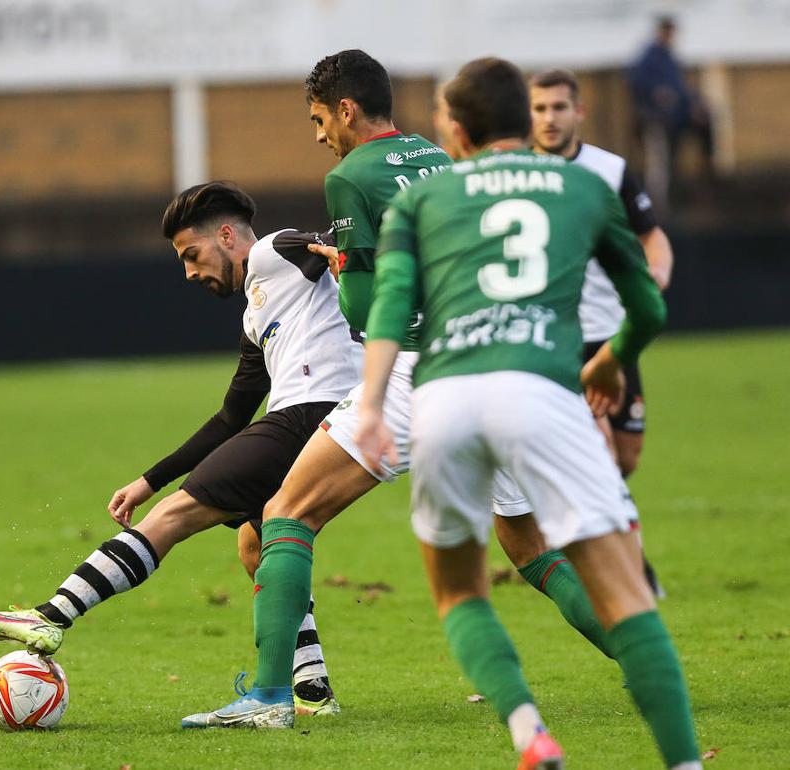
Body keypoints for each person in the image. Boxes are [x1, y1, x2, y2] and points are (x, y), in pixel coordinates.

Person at [181, 50, 615, 731]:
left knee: (286, 515)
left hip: (424, 369)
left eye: (320, 118)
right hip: (499, 364)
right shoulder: (439, 156)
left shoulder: (350, 175)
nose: (319, 134)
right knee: (530, 547)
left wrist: (348, 264)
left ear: (347, 110)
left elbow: (359, 311)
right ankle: (645, 651)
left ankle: (268, 699)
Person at [355, 57, 700, 769]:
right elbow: (649, 306)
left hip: (444, 399)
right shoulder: (580, 185)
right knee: (625, 593)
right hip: (543, 392)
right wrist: (610, 360)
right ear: (527, 119)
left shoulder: (425, 198)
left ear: (455, 131)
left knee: (459, 592)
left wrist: (369, 404)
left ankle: (527, 730)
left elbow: (390, 304)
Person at [0, 182, 362, 716]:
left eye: (192, 255)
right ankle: (311, 688)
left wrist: (340, 252)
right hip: (331, 420)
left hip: (313, 412)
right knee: (255, 542)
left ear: (226, 235)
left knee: (177, 515)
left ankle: (51, 616)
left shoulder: (272, 252)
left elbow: (325, 244)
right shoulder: (254, 319)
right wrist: (148, 480)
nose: (190, 272)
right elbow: (229, 419)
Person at [530, 67, 673, 595]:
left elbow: (652, 237)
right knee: (602, 453)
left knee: (626, 457)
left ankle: (583, 532)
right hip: (557, 337)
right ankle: (629, 569)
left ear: (578, 112)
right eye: (539, 109)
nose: (549, 118)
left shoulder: (609, 170)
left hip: (614, 335)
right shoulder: (518, 175)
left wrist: (655, 274)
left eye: (558, 107)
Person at [627, 15, 715, 215]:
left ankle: (707, 173)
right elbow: (638, 83)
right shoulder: (648, 58)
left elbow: (681, 89)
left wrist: (695, 104)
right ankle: (661, 204)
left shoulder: (670, 58)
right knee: (663, 161)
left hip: (677, 118)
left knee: (705, 124)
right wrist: (656, 93)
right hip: (659, 119)